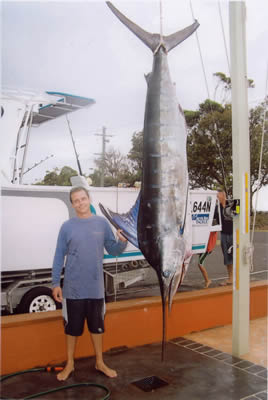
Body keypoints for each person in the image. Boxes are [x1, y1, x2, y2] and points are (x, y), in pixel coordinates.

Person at [52, 186, 128, 381]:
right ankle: (70, 364)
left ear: (89, 199)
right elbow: (59, 256)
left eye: (83, 199)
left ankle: (99, 362)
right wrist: (55, 284)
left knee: (97, 328)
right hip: (73, 289)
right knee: (72, 329)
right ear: (72, 204)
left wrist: (122, 241)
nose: (80, 203)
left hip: (95, 289)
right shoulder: (66, 226)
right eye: (76, 200)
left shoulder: (102, 223)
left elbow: (113, 249)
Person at [217, 190, 233, 285]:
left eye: (218, 196)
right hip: (223, 234)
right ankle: (230, 278)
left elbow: (238, 217)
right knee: (227, 257)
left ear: (223, 195)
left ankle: (238, 277)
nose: (217, 198)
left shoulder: (232, 204)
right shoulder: (217, 208)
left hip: (233, 234)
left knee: (235, 256)